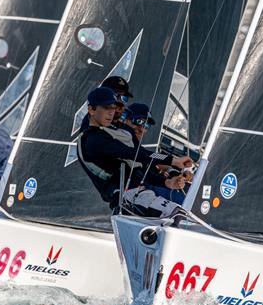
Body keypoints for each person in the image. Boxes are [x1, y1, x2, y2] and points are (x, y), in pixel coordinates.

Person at [77, 87, 193, 218]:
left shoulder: (110, 135)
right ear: (91, 109)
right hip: (128, 200)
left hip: (141, 196)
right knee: (182, 218)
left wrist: (166, 182)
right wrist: (172, 160)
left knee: (187, 217)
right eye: (106, 108)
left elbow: (139, 163)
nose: (111, 112)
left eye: (113, 108)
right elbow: (135, 154)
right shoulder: (93, 139)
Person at [122, 103, 190, 203]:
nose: (141, 129)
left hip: (152, 184)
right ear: (125, 120)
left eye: (146, 125)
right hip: (137, 191)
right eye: (138, 121)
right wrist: (173, 162)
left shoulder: (137, 146)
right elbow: (149, 156)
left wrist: (177, 172)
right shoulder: (119, 143)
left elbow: (151, 157)